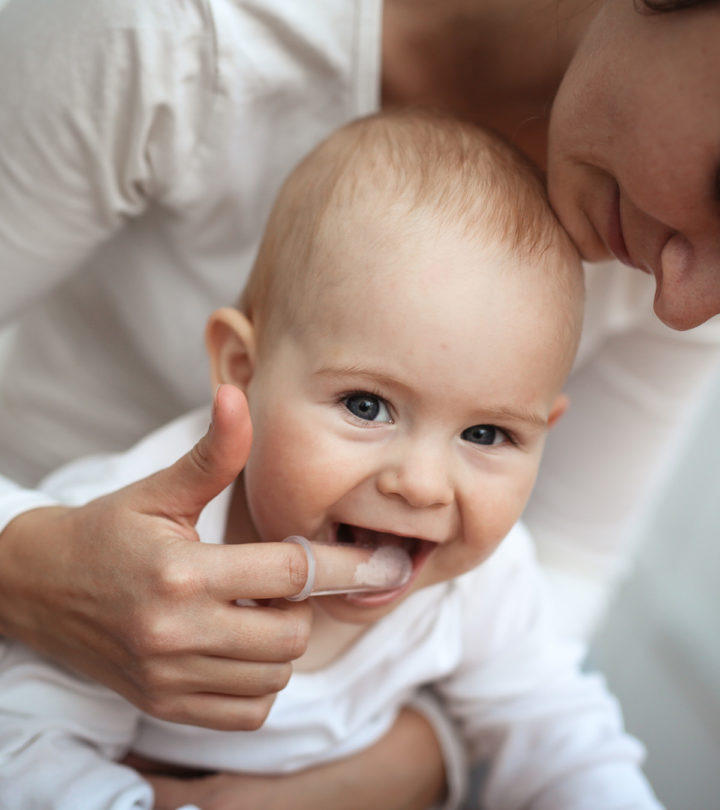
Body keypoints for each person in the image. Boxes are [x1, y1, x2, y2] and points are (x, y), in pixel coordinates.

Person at [1, 0, 719, 804]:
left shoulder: (479, 582)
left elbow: (563, 733)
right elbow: (26, 752)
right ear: (239, 367)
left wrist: (429, 760)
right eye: (368, 407)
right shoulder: (128, 538)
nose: (421, 485)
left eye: (487, 433)